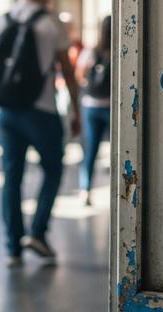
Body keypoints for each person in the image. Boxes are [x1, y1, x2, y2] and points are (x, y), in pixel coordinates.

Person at [0, 0, 80, 267]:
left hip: (6, 111)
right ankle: (37, 232)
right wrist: (75, 108)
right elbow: (67, 70)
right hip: (42, 111)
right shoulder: (51, 23)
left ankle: (12, 246)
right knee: (52, 169)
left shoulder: (1, 20)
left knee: (12, 176)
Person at [75, 16, 111, 206]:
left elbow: (79, 74)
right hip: (111, 107)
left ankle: (85, 189)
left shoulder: (91, 51)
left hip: (90, 106)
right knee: (119, 150)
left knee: (90, 150)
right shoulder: (118, 50)